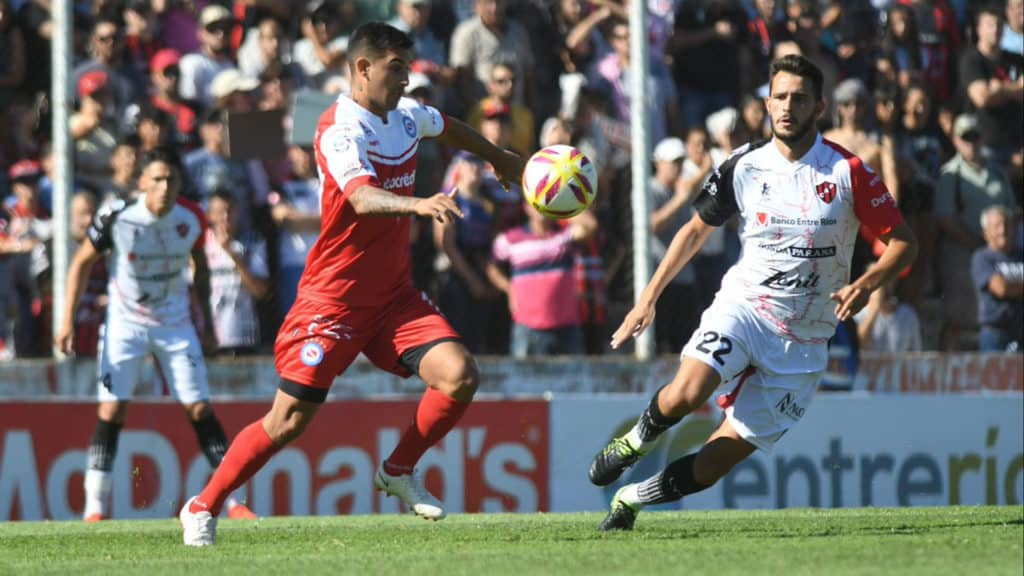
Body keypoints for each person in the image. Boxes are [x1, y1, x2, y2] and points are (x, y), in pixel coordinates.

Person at [178, 22, 523, 546]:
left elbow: (446, 125)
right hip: (332, 301)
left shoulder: (406, 116)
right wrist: (418, 203)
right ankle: (203, 505)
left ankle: (398, 470)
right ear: (363, 68)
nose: (406, 80)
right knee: (288, 420)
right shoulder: (338, 128)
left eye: (409, 68)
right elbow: (362, 198)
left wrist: (498, 157)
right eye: (396, 69)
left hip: (392, 299)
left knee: (459, 374)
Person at [587, 54, 917, 530]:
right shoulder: (744, 165)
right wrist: (648, 298)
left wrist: (867, 282)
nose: (788, 107)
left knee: (716, 460)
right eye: (780, 97)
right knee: (686, 391)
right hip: (745, 308)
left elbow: (905, 242)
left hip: (804, 342)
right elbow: (693, 233)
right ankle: (635, 441)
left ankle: (633, 498)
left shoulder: (846, 172)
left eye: (799, 99)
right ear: (767, 102)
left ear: (819, 107)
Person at [54, 149, 256, 522]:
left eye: (171, 180)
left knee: (199, 406)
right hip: (124, 326)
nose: (164, 187)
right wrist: (65, 320)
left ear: (179, 184)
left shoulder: (191, 218)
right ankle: (94, 509)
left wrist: (207, 328)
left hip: (175, 324)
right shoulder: (117, 216)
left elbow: (202, 271)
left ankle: (233, 502)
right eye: (157, 179)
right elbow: (81, 262)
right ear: (142, 182)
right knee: (113, 408)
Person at [486, 201, 597, 358]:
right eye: (537, 203)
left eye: (546, 204)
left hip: (567, 326)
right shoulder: (510, 239)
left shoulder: (566, 235)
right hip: (528, 327)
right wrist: (509, 288)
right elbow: (491, 268)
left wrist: (562, 203)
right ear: (526, 208)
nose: (541, 209)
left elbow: (591, 224)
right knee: (524, 379)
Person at [971, 205, 1023, 352]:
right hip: (995, 334)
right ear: (985, 233)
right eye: (997, 226)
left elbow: (1006, 287)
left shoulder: (1021, 255)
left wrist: (1013, 287)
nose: (1003, 230)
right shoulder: (982, 257)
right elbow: (1000, 288)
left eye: (1006, 224)